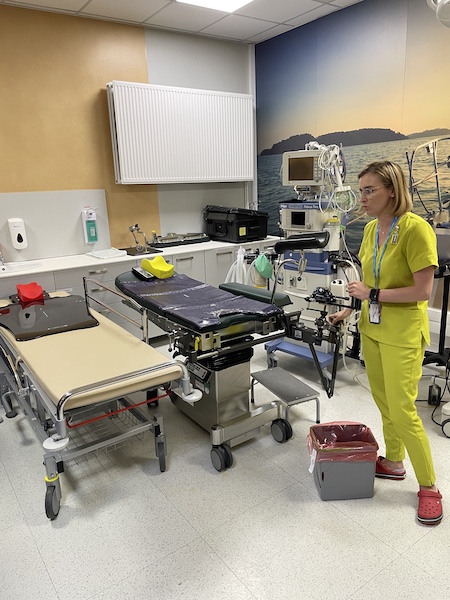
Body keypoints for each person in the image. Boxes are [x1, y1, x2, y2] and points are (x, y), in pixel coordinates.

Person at [329, 160, 443, 525]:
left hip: (402, 335)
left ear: (392, 190)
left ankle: (429, 487)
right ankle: (394, 462)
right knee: (384, 403)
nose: (361, 198)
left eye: (369, 191)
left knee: (404, 410)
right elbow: (366, 283)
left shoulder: (416, 229)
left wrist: (372, 294)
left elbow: (422, 291)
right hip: (373, 330)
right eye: (360, 190)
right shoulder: (369, 229)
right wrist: (349, 309)